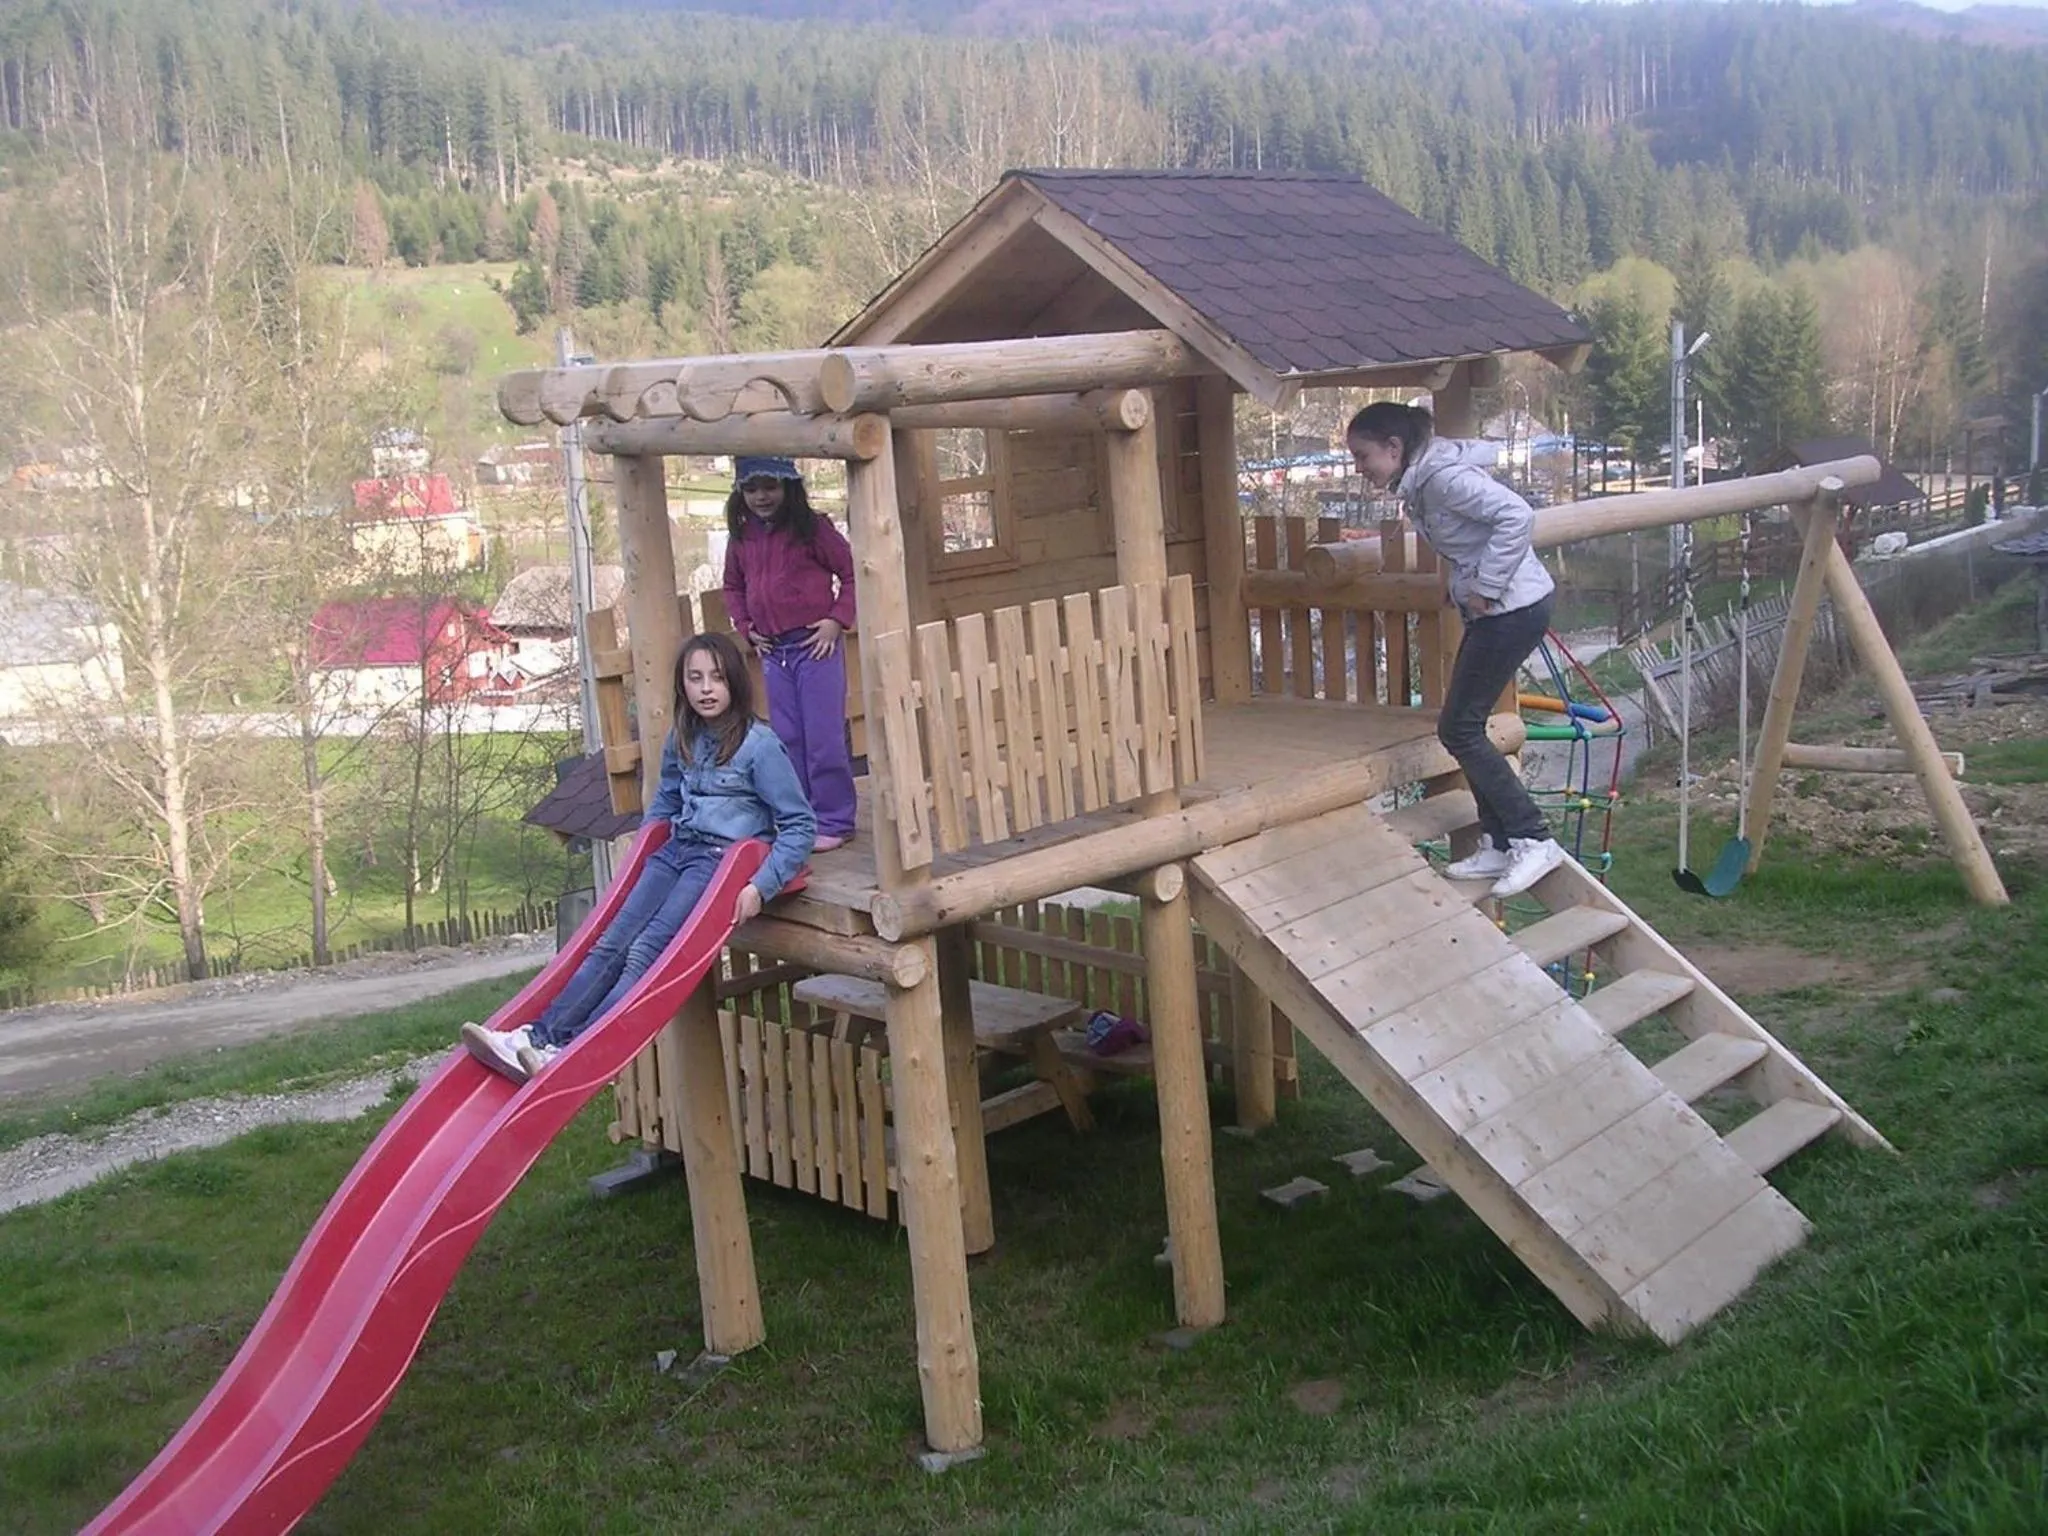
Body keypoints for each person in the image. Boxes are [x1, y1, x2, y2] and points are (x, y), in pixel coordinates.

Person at [460, 631, 815, 1082]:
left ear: (735, 685)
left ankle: (572, 1050)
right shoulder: (682, 735)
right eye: (695, 678)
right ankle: (537, 1036)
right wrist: (645, 843)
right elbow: (666, 798)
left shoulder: (758, 746)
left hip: (717, 863)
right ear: (682, 684)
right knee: (610, 941)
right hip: (676, 852)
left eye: (717, 678)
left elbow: (800, 824)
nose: (706, 688)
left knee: (645, 951)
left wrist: (760, 887)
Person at [1347, 401, 1566, 900]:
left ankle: (1532, 836)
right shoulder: (1426, 474)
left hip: (1512, 609)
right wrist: (1460, 581)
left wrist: (1485, 585)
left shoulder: (1441, 479)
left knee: (1460, 728)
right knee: (1464, 727)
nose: (1360, 470)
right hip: (1502, 610)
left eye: (1363, 457)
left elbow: (1516, 516)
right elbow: (1469, 531)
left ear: (1394, 447)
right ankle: (1498, 840)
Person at [721, 455, 858, 851]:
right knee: (787, 739)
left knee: (823, 737)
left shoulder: (813, 529)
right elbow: (732, 587)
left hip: (816, 646)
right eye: (751, 488)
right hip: (774, 651)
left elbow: (851, 573)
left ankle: (834, 820)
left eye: (770, 486)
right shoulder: (742, 537)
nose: (761, 496)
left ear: (789, 486)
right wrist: (746, 628)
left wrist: (836, 619)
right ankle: (800, 819)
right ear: (740, 492)